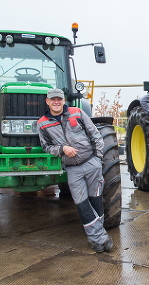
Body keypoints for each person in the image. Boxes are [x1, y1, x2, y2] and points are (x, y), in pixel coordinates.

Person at [37, 88, 113, 253]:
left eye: (59, 99)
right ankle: (101, 237)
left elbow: (96, 136)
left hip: (91, 163)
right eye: (53, 99)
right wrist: (62, 149)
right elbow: (46, 147)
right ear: (47, 101)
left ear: (63, 100)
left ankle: (96, 240)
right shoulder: (42, 123)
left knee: (96, 201)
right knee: (82, 204)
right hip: (72, 170)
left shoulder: (77, 113)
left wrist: (98, 160)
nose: (56, 102)